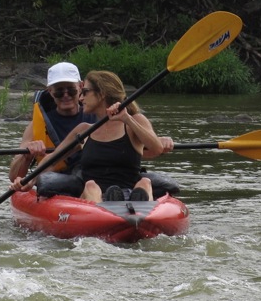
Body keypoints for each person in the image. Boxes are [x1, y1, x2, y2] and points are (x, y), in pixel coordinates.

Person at [12, 71, 165, 203]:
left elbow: (156, 149)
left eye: (85, 92)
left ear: (101, 94)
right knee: (91, 186)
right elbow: (52, 159)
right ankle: (109, 207)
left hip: (130, 191)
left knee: (145, 183)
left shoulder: (135, 121)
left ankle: (136, 206)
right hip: (93, 198)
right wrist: (29, 180)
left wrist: (127, 119)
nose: (81, 98)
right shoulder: (83, 130)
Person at [8, 61, 93, 182]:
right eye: (59, 91)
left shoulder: (97, 116)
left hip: (92, 178)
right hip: (56, 181)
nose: (65, 95)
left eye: (71, 90)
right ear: (50, 91)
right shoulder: (38, 125)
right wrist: (26, 157)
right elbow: (14, 177)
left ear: (80, 87)